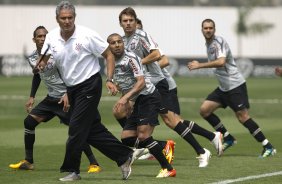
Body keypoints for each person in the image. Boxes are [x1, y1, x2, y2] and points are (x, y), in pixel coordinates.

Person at [36, 1, 136, 181]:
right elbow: (46, 58)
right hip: (72, 88)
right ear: (57, 19)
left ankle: (73, 170)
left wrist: (110, 79)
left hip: (89, 85)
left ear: (74, 17)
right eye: (63, 18)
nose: (67, 21)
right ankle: (124, 156)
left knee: (76, 128)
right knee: (91, 129)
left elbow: (109, 55)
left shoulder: (87, 35)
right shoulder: (51, 37)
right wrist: (42, 65)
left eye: (70, 17)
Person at [118, 7, 223, 168]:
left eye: (131, 20)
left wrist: (138, 63)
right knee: (165, 120)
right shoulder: (123, 41)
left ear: (135, 21)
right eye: (125, 21)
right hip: (143, 87)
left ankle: (198, 150)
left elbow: (158, 55)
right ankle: (199, 146)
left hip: (156, 83)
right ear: (120, 23)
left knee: (168, 120)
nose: (128, 23)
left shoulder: (142, 36)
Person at [9, 26, 101, 174]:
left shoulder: (57, 53)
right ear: (34, 39)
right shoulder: (33, 57)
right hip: (51, 98)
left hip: (66, 97)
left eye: (45, 36)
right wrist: (32, 96)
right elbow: (37, 75)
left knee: (76, 129)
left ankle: (94, 163)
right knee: (29, 122)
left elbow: (70, 73)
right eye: (39, 36)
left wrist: (69, 94)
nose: (42, 38)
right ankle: (28, 161)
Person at [187, 18, 276, 157]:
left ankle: (268, 146)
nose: (208, 30)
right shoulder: (208, 44)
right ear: (202, 30)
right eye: (206, 28)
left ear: (214, 29)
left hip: (235, 86)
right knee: (204, 110)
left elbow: (221, 62)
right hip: (223, 88)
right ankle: (228, 138)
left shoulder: (218, 42)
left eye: (210, 28)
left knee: (243, 117)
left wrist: (199, 65)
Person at [108, 33, 176, 178]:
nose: (117, 44)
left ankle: (168, 168)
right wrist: (116, 87)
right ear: (109, 46)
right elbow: (126, 81)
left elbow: (141, 82)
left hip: (148, 97)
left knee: (144, 136)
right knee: (127, 138)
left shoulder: (130, 58)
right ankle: (164, 145)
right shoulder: (112, 60)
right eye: (113, 43)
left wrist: (125, 98)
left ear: (123, 43)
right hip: (138, 100)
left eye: (119, 41)